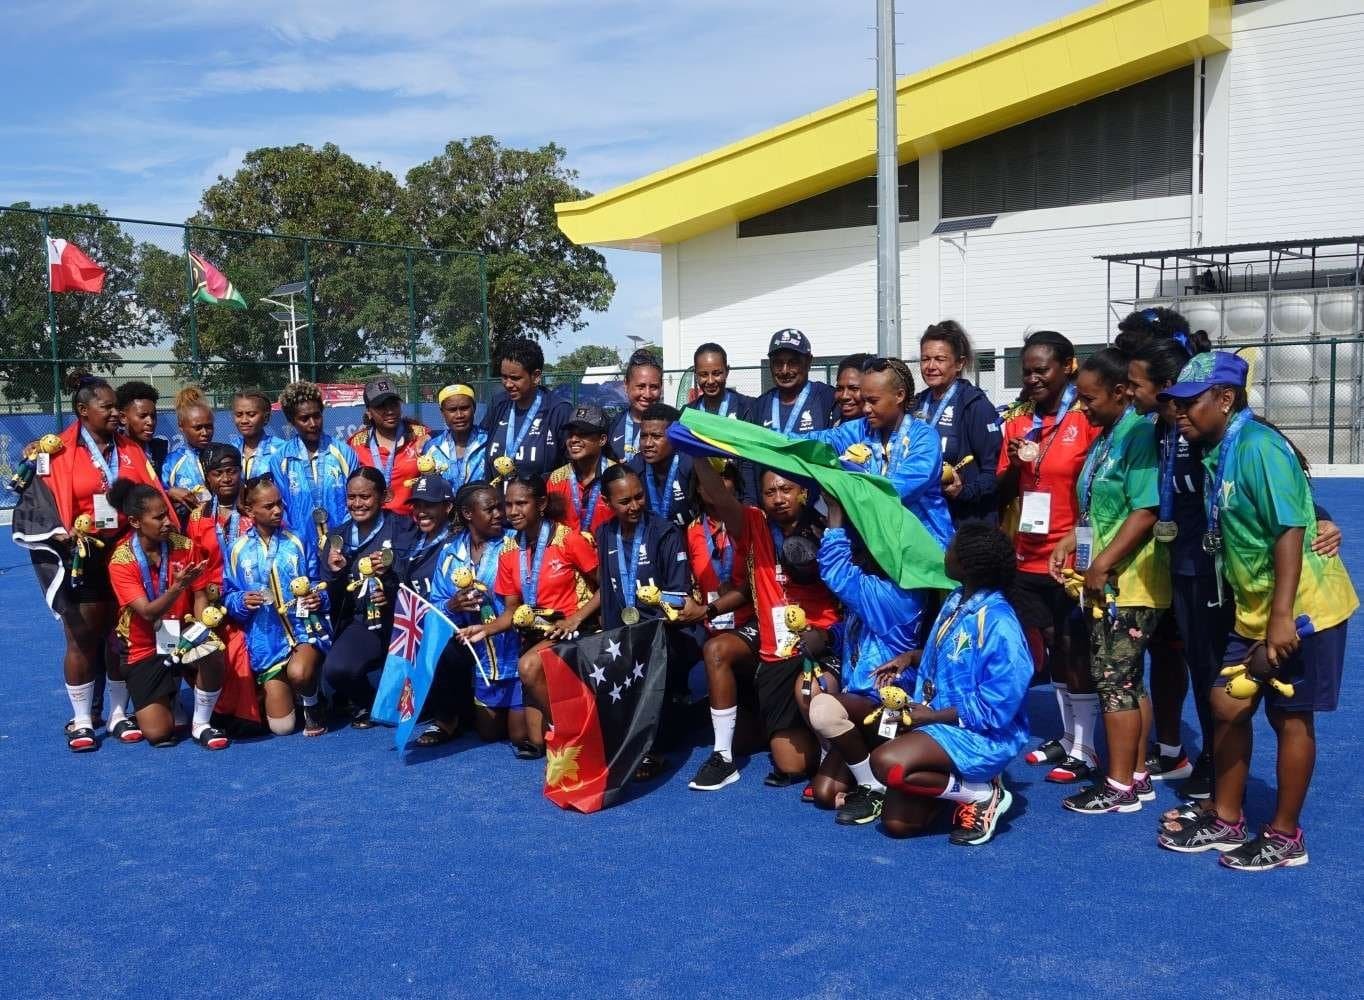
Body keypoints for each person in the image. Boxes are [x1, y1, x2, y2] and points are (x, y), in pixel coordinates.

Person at [1155, 352, 1358, 870]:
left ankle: (1286, 836)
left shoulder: (1260, 447)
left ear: (1225, 399)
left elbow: (1289, 529)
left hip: (1303, 607)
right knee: (1226, 702)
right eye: (1176, 404)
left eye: (1190, 403)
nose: (1180, 414)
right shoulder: (1218, 448)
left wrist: (1282, 617)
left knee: (1289, 716)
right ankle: (1226, 818)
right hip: (1256, 606)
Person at [13, 372, 173, 751]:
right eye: (108, 407)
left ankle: (118, 714)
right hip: (82, 555)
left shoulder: (130, 449)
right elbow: (37, 500)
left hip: (125, 555)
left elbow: (152, 493)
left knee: (121, 636)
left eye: (116, 406)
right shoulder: (57, 452)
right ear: (83, 411)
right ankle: (83, 719)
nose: (116, 413)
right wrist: (57, 532)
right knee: (81, 638)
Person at [1048, 348, 1168, 814]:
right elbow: (1097, 508)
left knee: (1115, 680)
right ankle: (1135, 776)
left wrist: (1103, 565)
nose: (1081, 406)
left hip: (1129, 582)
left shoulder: (1137, 433)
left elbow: (1145, 509)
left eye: (1089, 397)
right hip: (1107, 577)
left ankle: (1117, 785)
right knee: (1127, 681)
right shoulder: (1107, 435)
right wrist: (1069, 543)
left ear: (1121, 393)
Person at [870, 523, 1031, 845]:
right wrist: (911, 658)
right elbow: (947, 657)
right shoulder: (958, 598)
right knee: (899, 825)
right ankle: (959, 788)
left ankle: (981, 793)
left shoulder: (999, 621)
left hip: (980, 736)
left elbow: (998, 707)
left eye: (951, 546)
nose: (945, 550)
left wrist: (932, 717)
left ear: (968, 563)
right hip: (938, 723)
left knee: (886, 763)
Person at [688, 464, 839, 790]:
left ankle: (835, 761)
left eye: (786, 490)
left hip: (816, 646)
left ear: (802, 493)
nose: (779, 498)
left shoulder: (826, 530)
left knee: (809, 688)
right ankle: (726, 755)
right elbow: (717, 495)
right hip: (773, 655)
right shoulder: (754, 524)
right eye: (770, 492)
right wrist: (693, 449)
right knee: (792, 764)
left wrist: (826, 635)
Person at [998, 330, 1102, 785]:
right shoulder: (1018, 421)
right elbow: (1000, 485)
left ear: (1068, 367)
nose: (1035, 378)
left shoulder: (1088, 418)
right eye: (1029, 371)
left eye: (1044, 369)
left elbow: (1100, 489)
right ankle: (1066, 735)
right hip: (1027, 553)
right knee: (1051, 646)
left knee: (1075, 646)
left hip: (1072, 551)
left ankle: (1088, 747)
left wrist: (1085, 545)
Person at [801, 495, 926, 826]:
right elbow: (860, 631)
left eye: (863, 545)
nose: (856, 551)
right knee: (825, 794)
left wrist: (836, 515)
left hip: (889, 710)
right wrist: (828, 637)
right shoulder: (876, 590)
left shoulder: (900, 594)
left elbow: (836, 571)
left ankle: (873, 786)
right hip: (860, 708)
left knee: (824, 708)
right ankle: (870, 775)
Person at [463, 475, 599, 757]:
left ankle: (578, 731)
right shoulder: (510, 550)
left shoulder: (568, 540)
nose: (512, 512)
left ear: (541, 504)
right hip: (537, 637)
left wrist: (576, 618)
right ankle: (565, 723)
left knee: (527, 666)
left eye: (521, 503)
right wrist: (485, 630)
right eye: (508, 504)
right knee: (532, 741)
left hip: (574, 631)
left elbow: (607, 589)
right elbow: (512, 610)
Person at [592, 464, 701, 779]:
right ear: (607, 503)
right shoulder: (604, 534)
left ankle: (654, 748)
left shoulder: (665, 533)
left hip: (666, 635)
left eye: (639, 497)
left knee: (648, 662)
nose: (635, 505)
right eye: (624, 501)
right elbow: (611, 595)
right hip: (624, 636)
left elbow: (679, 597)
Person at [105, 480, 228, 749]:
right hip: (143, 645)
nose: (168, 522)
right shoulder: (122, 560)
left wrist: (200, 632)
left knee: (212, 650)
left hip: (178, 634)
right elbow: (148, 613)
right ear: (136, 522)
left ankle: (201, 724)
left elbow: (199, 596)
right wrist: (177, 587)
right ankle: (150, 701)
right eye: (158, 517)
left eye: (167, 513)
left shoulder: (184, 545)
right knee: (159, 733)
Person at [796, 356, 954, 549]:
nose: (866, 409)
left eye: (873, 401)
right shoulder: (858, 430)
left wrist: (844, 492)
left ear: (899, 395)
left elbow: (899, 489)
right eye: (864, 401)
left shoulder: (924, 438)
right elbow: (809, 441)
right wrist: (759, 436)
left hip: (925, 548)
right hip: (878, 547)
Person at [224, 474, 329, 737]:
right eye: (268, 506)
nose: (277, 510)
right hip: (266, 641)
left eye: (279, 504)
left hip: (303, 628)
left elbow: (317, 582)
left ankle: (313, 699)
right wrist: (241, 601)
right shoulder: (237, 549)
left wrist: (318, 597)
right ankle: (293, 692)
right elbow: (229, 594)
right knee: (282, 728)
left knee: (298, 673)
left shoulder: (296, 540)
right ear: (250, 510)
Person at [425, 481, 519, 747]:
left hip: (509, 643)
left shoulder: (513, 545)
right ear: (468, 514)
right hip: (471, 645)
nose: (499, 514)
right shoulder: (450, 551)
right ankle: (448, 717)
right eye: (490, 509)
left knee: (518, 736)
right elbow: (435, 603)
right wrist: (451, 606)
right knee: (488, 733)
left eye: (500, 507)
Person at [322, 467, 416, 728]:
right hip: (365, 621)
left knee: (421, 702)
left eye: (365, 497)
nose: (357, 504)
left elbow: (417, 574)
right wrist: (334, 573)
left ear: (384, 496)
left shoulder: (404, 527)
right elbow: (331, 592)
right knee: (337, 670)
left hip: (403, 623)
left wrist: (391, 577)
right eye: (351, 497)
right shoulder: (336, 537)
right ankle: (370, 701)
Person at [913, 321, 1002, 524]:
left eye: (940, 359)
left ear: (959, 363)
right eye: (925, 359)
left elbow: (994, 470)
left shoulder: (975, 405)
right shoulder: (917, 403)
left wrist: (964, 491)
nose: (930, 366)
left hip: (964, 522)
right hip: (925, 518)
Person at [268, 380, 360, 553]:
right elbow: (283, 509)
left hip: (343, 545)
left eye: (317, 416)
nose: (313, 423)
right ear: (291, 421)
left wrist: (343, 538)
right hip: (301, 547)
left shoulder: (344, 453)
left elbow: (355, 500)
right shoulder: (280, 460)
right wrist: (296, 544)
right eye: (304, 419)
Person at [679, 460, 753, 640]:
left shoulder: (752, 521)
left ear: (735, 483)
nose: (717, 483)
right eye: (710, 477)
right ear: (697, 487)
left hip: (751, 624)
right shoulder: (691, 532)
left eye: (724, 477)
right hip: (709, 628)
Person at [484, 337, 571, 480]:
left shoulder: (559, 411)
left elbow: (570, 467)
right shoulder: (499, 404)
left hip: (540, 500)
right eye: (504, 377)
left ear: (536, 376)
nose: (508, 384)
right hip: (500, 500)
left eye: (515, 378)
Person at [349, 376, 430, 516]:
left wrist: (430, 439)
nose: (390, 411)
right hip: (374, 525)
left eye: (393, 404)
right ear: (368, 411)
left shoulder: (420, 436)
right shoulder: (356, 445)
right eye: (381, 406)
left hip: (413, 526)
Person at [547, 403, 617, 537]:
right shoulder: (556, 479)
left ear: (602, 440)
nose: (573, 439)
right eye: (570, 434)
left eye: (583, 434)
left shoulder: (617, 477)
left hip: (606, 554)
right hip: (567, 556)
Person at [751, 328, 836, 437]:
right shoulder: (760, 405)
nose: (785, 371)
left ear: (808, 362)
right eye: (778, 363)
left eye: (793, 362)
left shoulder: (827, 398)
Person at [628, 403, 695, 528]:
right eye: (643, 436)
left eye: (656, 436)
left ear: (675, 437)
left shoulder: (690, 466)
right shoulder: (633, 470)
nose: (648, 444)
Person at [424, 384, 488, 493]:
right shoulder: (432, 447)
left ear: (474, 408)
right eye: (452, 410)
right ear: (442, 412)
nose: (459, 415)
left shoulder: (488, 442)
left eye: (464, 408)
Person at [162, 386, 216, 508]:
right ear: (181, 426)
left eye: (209, 426)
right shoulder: (172, 461)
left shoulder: (222, 455)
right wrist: (170, 493)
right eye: (198, 428)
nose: (204, 432)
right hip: (186, 525)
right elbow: (162, 493)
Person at [610, 350, 664, 462]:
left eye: (654, 387)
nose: (647, 394)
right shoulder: (612, 425)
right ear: (626, 385)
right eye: (641, 386)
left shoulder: (672, 427)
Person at [686, 343, 755, 423]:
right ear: (696, 375)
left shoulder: (749, 408)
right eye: (704, 374)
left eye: (717, 373)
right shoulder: (687, 413)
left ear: (727, 371)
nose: (710, 381)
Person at [115, 380, 169, 479]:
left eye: (153, 416)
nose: (150, 422)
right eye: (142, 416)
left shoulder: (160, 449)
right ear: (123, 418)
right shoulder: (114, 451)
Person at [229, 389, 281, 482]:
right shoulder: (231, 450)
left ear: (266, 417)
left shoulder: (280, 450)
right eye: (239, 415)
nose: (244, 420)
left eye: (251, 414)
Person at [832, 352, 872, 425]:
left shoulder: (885, 432)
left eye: (854, 388)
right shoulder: (835, 428)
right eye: (839, 388)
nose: (844, 396)